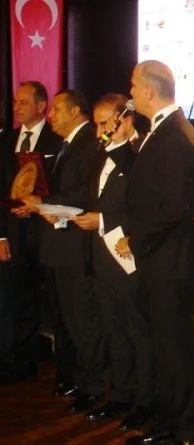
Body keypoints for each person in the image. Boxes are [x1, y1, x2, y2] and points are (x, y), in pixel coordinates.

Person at [119, 60, 194, 445]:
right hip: (163, 257)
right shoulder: (163, 130)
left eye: (133, 85)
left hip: (171, 260)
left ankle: (184, 429)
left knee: (175, 348)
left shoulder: (174, 134)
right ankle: (169, 423)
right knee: (166, 345)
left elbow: (172, 207)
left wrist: (136, 239)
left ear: (149, 90)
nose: (130, 93)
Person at [73, 93, 154, 430]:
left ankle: (145, 402)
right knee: (114, 329)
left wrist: (103, 220)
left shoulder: (143, 154)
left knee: (138, 331)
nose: (100, 132)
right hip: (101, 256)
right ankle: (120, 395)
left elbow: (149, 208)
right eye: (96, 124)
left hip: (129, 256)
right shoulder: (99, 155)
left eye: (106, 123)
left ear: (127, 119)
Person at [22, 89, 105, 413]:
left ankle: (93, 386)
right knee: (66, 320)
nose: (51, 115)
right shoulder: (67, 145)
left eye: (56, 109)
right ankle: (74, 377)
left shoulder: (89, 144)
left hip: (76, 246)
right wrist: (37, 204)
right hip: (59, 245)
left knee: (83, 319)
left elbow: (85, 195)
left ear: (75, 111)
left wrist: (44, 202)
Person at [0, 81, 62, 386]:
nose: (17, 107)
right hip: (13, 233)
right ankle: (18, 362)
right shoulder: (5, 140)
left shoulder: (57, 139)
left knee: (53, 299)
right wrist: (0, 236)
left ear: (41, 106)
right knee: (14, 299)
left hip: (49, 231)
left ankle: (63, 367)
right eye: (15, 102)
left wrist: (39, 205)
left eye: (23, 102)